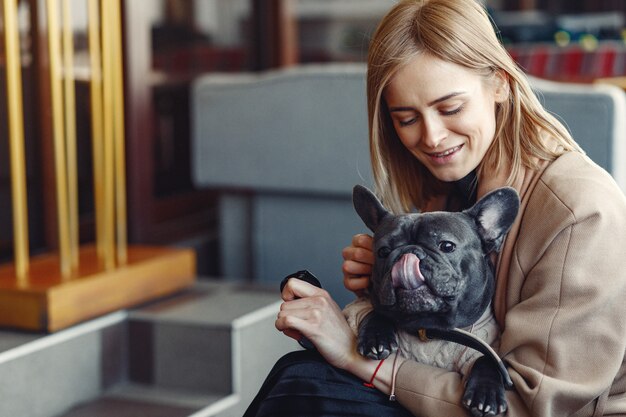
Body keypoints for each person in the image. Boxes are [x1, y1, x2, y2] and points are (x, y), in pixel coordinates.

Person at [244, 0, 626, 416]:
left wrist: (360, 359)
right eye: (406, 118)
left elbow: (525, 407)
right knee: (298, 379)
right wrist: (386, 286)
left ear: (499, 83)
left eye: (450, 108)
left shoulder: (579, 214)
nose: (432, 137)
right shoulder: (451, 184)